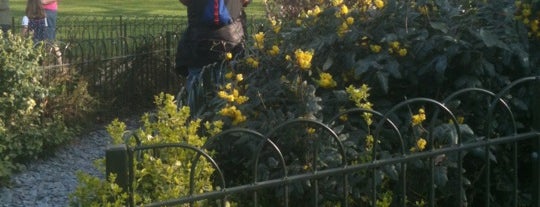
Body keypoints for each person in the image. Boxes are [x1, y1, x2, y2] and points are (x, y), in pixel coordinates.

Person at [175, 0, 251, 116]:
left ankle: (194, 123)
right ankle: (225, 124)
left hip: (199, 40)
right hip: (231, 39)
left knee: (196, 86)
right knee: (230, 85)